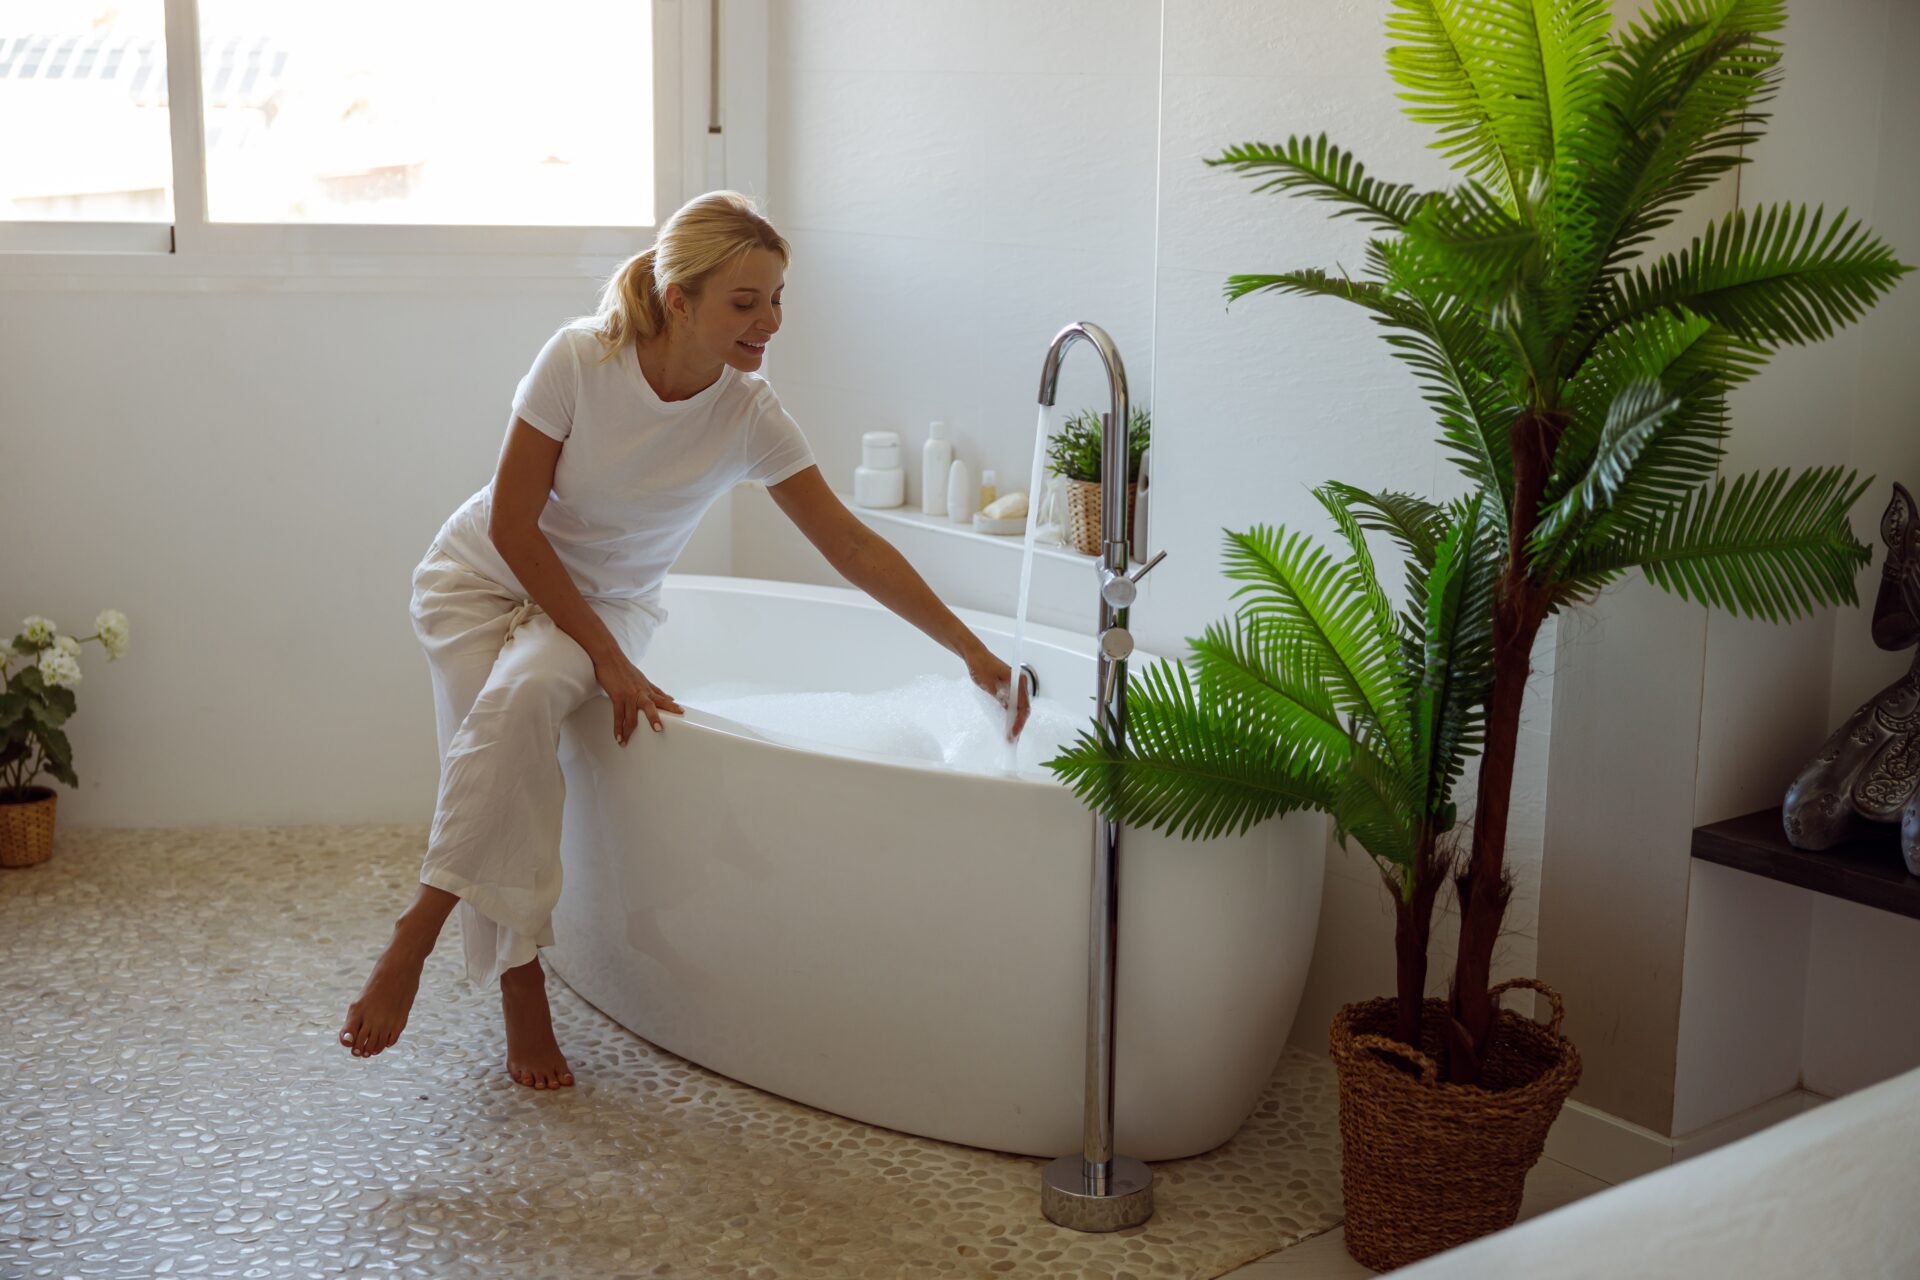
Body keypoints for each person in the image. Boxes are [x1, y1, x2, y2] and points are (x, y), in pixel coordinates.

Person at [339, 191, 1032, 1089]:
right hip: (479, 577)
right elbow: (514, 526)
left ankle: (416, 932)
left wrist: (972, 652)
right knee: (504, 753)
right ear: (681, 300)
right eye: (745, 302)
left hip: (606, 600)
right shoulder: (581, 360)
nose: (769, 322)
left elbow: (851, 544)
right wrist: (609, 661)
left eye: (778, 297)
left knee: (518, 702)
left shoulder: (749, 414)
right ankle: (518, 995)